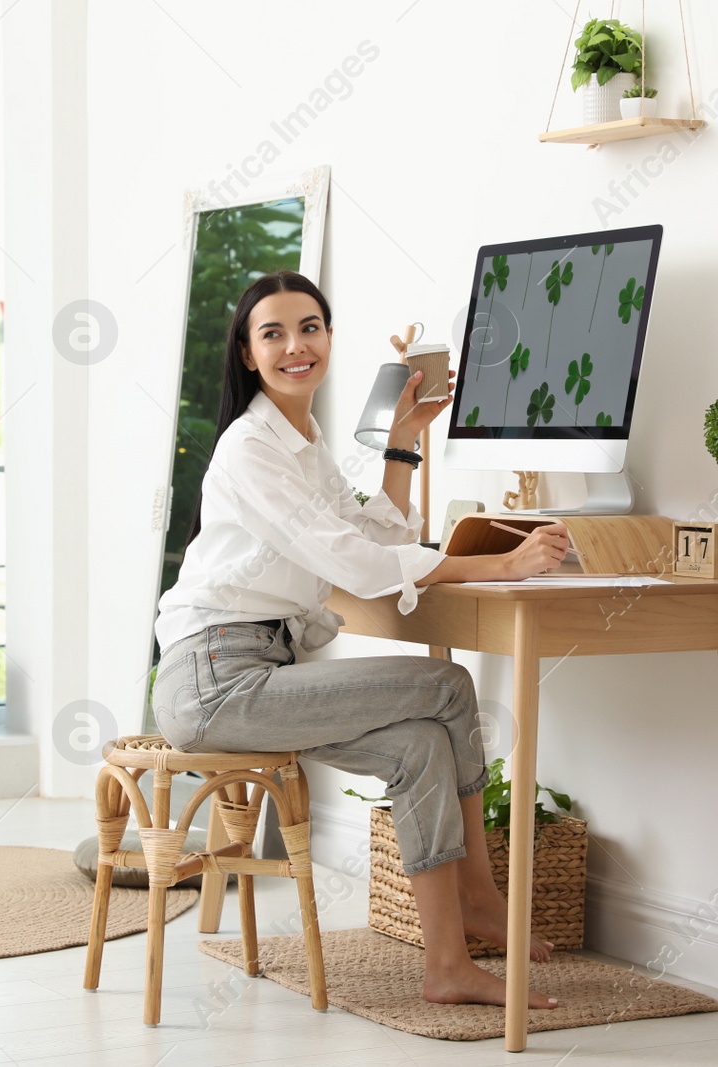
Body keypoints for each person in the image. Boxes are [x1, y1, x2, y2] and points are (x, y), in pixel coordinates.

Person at [151, 269, 569, 1009]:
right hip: (215, 679)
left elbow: (371, 534)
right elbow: (358, 564)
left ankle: (446, 963)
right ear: (248, 355)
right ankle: (478, 889)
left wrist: (403, 445)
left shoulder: (304, 444)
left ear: (330, 338)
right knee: (448, 686)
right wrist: (499, 561)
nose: (294, 346)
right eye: (272, 333)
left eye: (308, 327)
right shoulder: (250, 449)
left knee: (421, 745)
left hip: (257, 668)